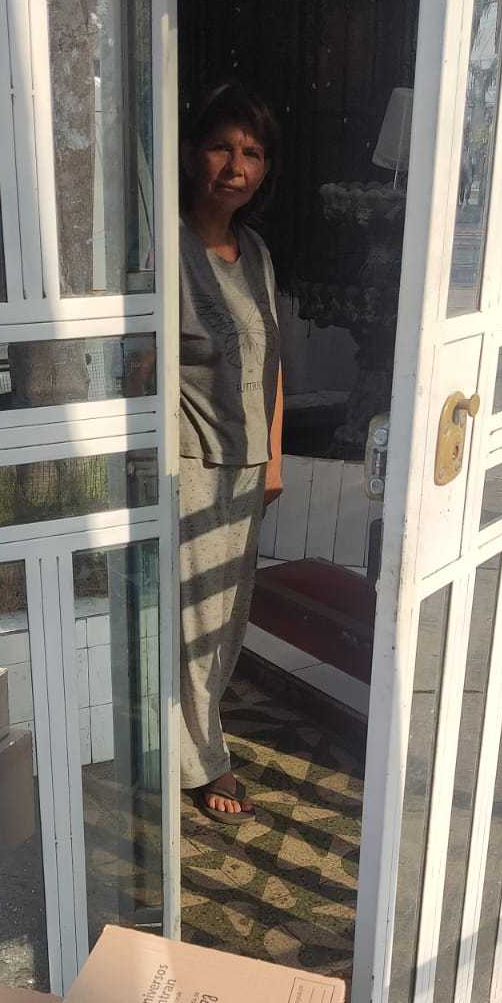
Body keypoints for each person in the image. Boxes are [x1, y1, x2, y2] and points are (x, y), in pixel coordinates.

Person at [178, 83, 284, 826]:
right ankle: (203, 760)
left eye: (251, 152)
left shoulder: (258, 254)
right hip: (191, 465)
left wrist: (274, 458)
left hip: (247, 467)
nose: (235, 166)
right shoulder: (164, 252)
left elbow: (274, 360)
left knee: (227, 619)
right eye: (221, 147)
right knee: (193, 624)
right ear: (192, 155)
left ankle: (195, 737)